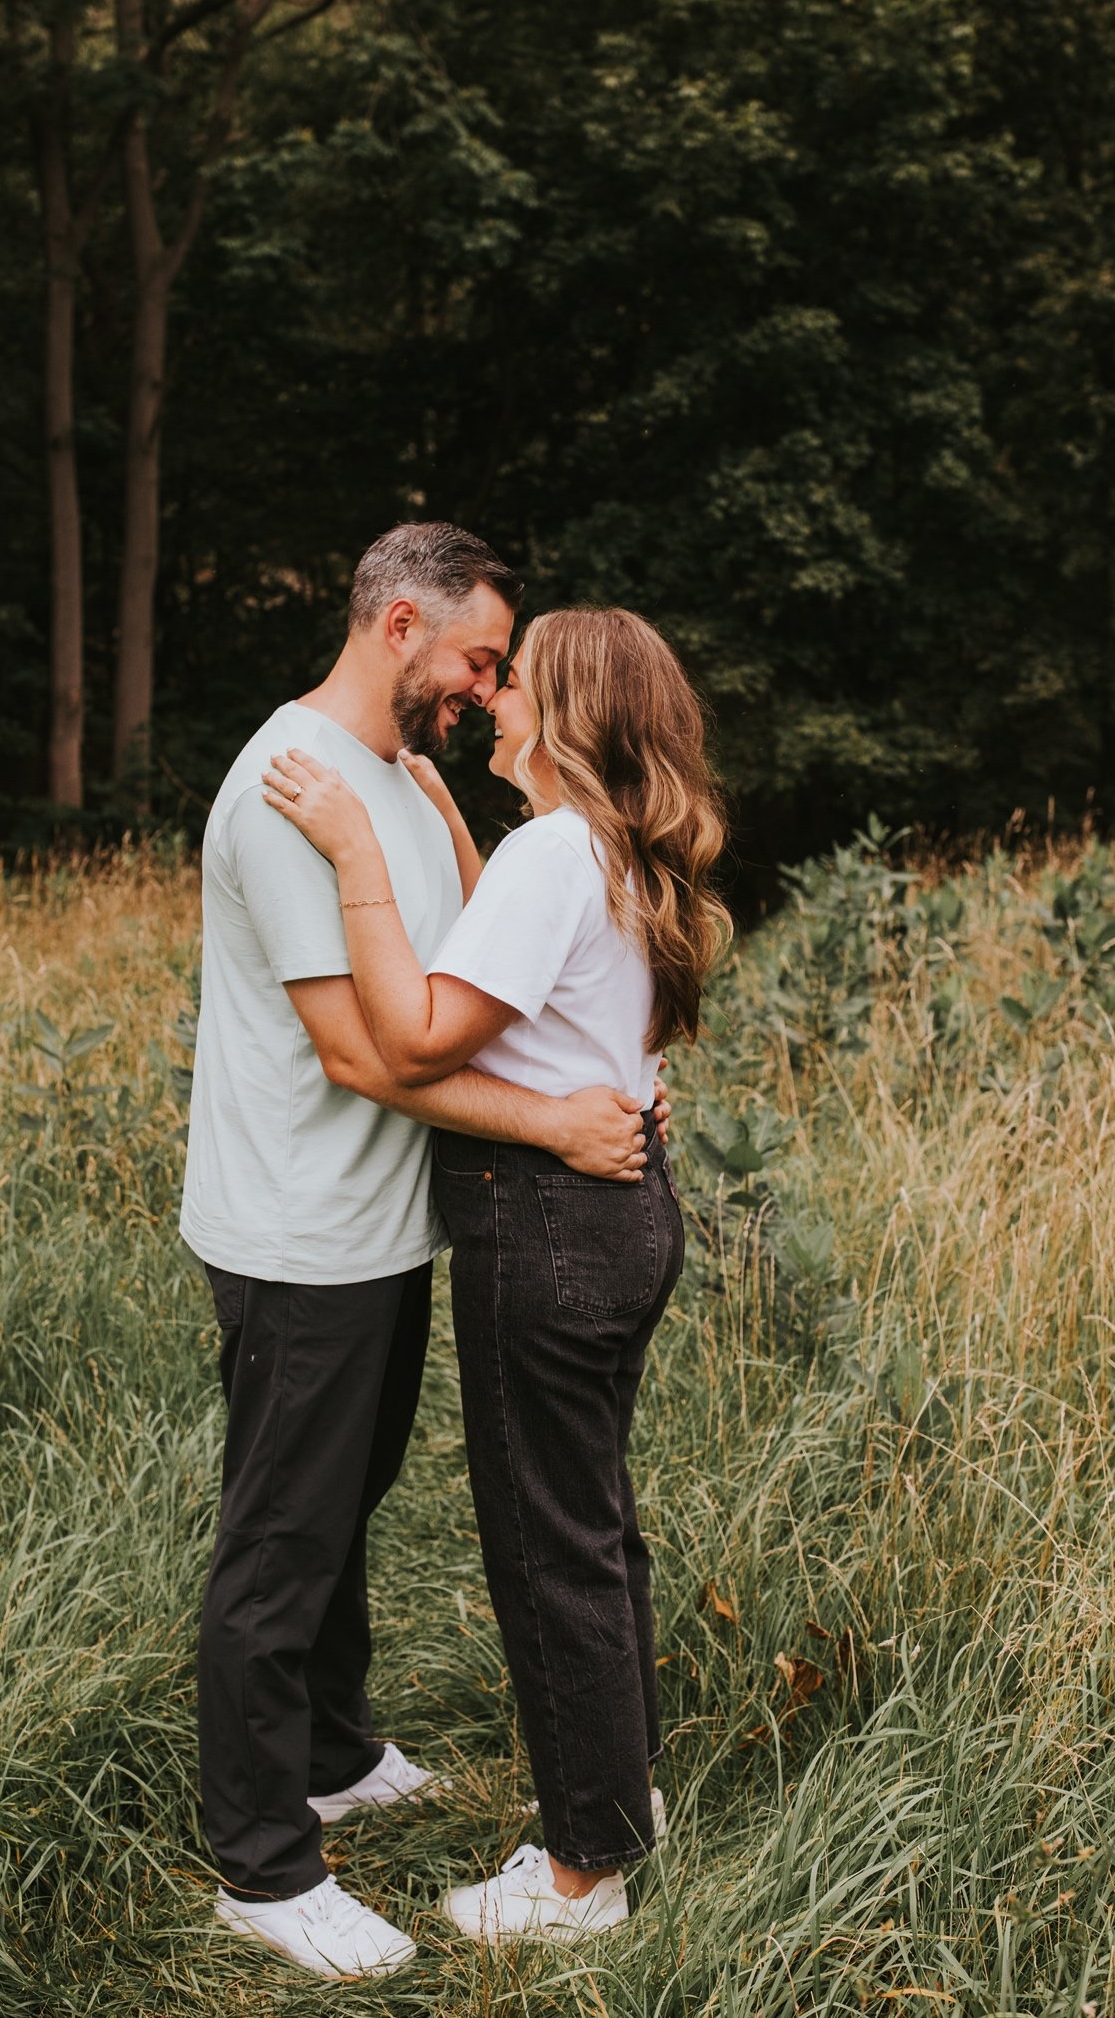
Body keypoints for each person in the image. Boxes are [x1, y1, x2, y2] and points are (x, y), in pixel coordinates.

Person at [181, 527, 655, 1983]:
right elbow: (358, 1051)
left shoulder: (396, 779)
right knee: (280, 1541)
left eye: (500, 670)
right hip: (300, 1231)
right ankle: (262, 1865)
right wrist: (557, 1128)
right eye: (477, 658)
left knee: (347, 1502)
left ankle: (330, 1751)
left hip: (383, 1230)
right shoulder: (290, 788)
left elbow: (464, 972)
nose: (487, 684)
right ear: (400, 626)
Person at [264, 604, 729, 1945]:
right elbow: (497, 942)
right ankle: (617, 1797)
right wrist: (443, 822)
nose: (490, 698)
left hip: (544, 1229)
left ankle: (583, 1874)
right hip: (623, 1213)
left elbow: (412, 1039)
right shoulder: (600, 851)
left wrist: (357, 847)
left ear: (565, 712)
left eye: (513, 681)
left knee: (547, 1549)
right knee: (594, 1528)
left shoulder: (553, 858)